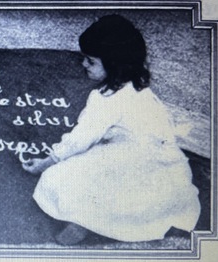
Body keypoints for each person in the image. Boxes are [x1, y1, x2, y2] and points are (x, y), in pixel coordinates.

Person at [22, 14, 201, 245]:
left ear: (115, 63)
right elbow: (163, 133)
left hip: (123, 162)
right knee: (137, 192)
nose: (83, 64)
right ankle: (124, 216)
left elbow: (80, 139)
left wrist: (48, 161)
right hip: (160, 169)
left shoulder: (105, 98)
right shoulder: (141, 90)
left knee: (59, 179)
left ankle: (83, 221)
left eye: (90, 61)